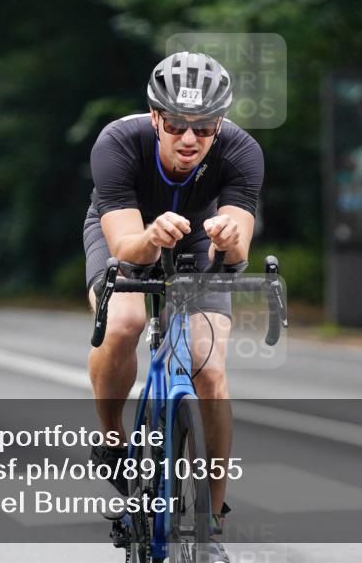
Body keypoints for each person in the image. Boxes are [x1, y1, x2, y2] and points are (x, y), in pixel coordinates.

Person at [85, 52, 263, 563]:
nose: (190, 138)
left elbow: (240, 244)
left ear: (221, 124)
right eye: (178, 125)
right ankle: (113, 438)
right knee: (125, 320)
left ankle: (212, 521)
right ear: (156, 116)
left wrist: (229, 237)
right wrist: (149, 237)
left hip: (199, 244)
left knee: (209, 367)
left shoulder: (242, 152)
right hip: (127, 230)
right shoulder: (118, 143)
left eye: (204, 128)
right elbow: (123, 245)